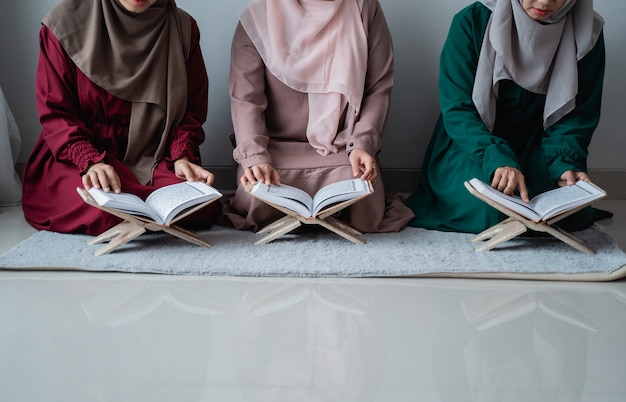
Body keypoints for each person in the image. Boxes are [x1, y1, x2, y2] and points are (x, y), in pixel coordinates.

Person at [405, 0, 605, 233]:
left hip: (540, 147)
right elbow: (458, 110)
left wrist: (564, 164)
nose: (545, 1)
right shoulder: (472, 22)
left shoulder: (586, 32)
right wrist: (496, 158)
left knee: (572, 214)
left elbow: (578, 115)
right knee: (492, 209)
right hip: (474, 145)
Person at [22, 0, 219, 235]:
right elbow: (57, 113)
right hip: (80, 159)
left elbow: (192, 110)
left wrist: (181, 157)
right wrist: (90, 161)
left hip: (155, 157)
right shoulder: (64, 24)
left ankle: (147, 211)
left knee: (196, 206)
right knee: (103, 207)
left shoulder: (183, 29)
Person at [222, 0, 415, 233]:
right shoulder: (257, 17)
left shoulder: (363, 7)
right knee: (257, 190)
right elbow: (246, 99)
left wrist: (362, 145)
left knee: (362, 190)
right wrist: (255, 157)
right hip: (275, 151)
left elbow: (378, 87)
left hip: (342, 150)